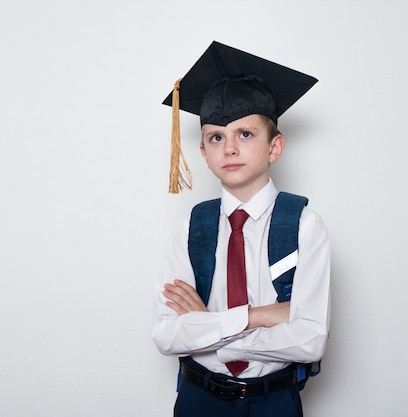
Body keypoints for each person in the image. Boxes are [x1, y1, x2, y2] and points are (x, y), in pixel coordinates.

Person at [152, 41, 331, 417]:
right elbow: (167, 335)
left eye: (245, 134)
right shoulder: (192, 226)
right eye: (216, 137)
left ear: (274, 146)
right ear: (204, 152)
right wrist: (257, 316)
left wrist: (210, 327)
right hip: (199, 399)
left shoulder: (304, 226)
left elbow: (310, 341)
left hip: (274, 401)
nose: (229, 148)